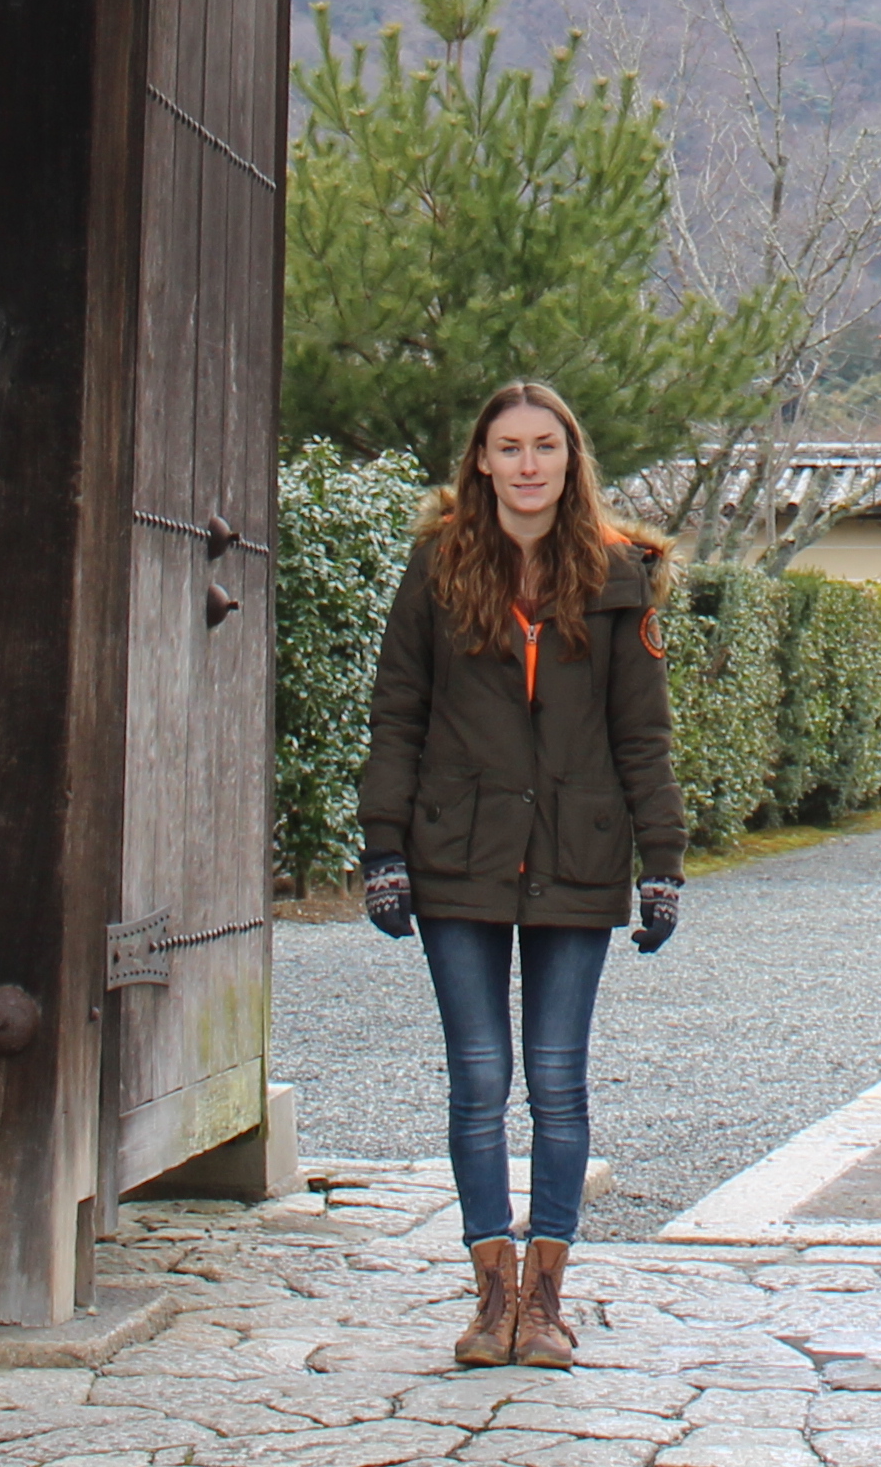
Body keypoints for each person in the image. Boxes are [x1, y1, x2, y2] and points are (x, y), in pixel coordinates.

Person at [360, 379, 683, 1375]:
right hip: (457, 850)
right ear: (483, 462)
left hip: (578, 853)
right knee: (479, 1078)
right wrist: (383, 848)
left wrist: (662, 864)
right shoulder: (439, 567)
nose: (529, 464)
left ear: (571, 459)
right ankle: (489, 1296)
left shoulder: (620, 575)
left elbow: (643, 734)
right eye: (510, 447)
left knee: (555, 1080)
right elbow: (398, 712)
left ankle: (547, 1300)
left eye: (546, 445)